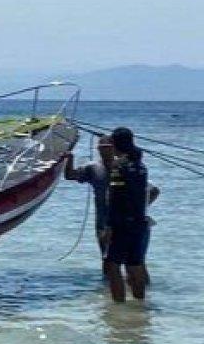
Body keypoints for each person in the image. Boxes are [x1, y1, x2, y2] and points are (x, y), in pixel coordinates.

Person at [103, 127, 150, 303]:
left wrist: (109, 226)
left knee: (112, 266)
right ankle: (140, 304)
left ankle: (118, 305)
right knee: (134, 265)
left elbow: (115, 198)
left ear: (116, 144)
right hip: (139, 222)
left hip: (122, 223)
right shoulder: (141, 167)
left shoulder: (119, 167)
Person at [64, 134, 115, 272]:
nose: (103, 150)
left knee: (131, 261)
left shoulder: (123, 166)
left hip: (123, 220)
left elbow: (151, 190)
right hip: (103, 220)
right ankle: (106, 284)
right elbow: (70, 175)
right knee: (106, 257)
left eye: (107, 147)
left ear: (114, 148)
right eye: (101, 147)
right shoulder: (93, 168)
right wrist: (70, 158)